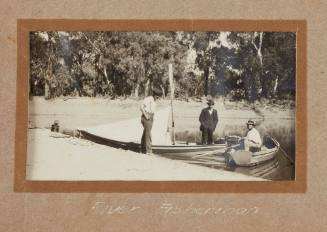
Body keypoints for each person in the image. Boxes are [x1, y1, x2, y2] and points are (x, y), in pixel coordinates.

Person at [140, 87, 162, 154]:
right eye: (157, 97)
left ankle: (143, 149)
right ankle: (148, 151)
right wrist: (146, 115)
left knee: (145, 133)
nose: (158, 99)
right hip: (146, 116)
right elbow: (141, 107)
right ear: (155, 95)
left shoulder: (154, 101)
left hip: (151, 117)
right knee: (148, 134)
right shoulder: (148, 99)